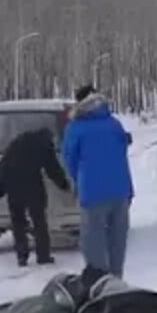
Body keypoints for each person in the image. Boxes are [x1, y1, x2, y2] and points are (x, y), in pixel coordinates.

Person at [61, 84, 134, 279]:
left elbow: (69, 159)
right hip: (120, 192)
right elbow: (122, 149)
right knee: (117, 243)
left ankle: (100, 285)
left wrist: (77, 182)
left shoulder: (75, 127)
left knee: (93, 244)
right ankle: (116, 282)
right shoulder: (113, 123)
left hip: (93, 194)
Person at [0, 127, 71, 267]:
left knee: (18, 221)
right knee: (39, 220)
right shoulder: (44, 145)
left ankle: (22, 256)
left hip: (13, 185)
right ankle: (43, 255)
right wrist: (64, 185)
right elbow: (53, 169)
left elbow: (4, 163)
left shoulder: (18, 141)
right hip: (33, 185)